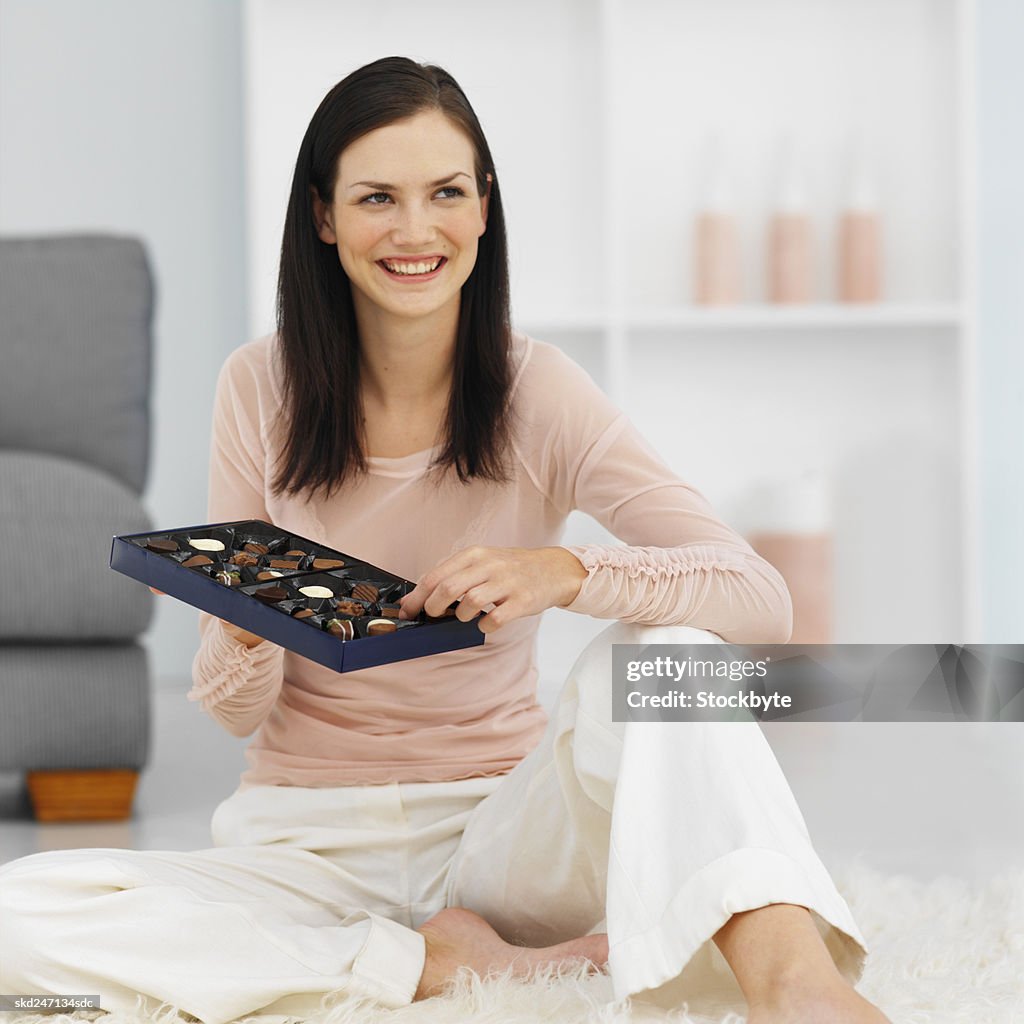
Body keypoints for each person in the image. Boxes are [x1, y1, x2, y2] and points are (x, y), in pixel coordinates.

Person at [0, 56, 891, 1024]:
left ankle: (794, 985)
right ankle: (428, 969)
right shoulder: (258, 386)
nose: (414, 229)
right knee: (18, 916)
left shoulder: (538, 391)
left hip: (502, 834)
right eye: (377, 196)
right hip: (304, 845)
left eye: (445, 193)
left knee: (668, 659)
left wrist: (564, 571)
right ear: (324, 216)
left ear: (482, 208)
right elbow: (230, 712)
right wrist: (250, 622)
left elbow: (757, 597)